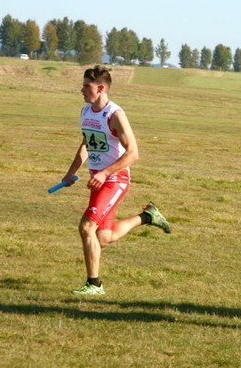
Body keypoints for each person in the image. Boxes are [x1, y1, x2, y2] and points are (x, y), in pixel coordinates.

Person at [61, 65, 171, 296]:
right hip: (97, 180)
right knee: (103, 237)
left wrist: (104, 173)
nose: (82, 90)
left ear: (101, 88)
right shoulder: (86, 112)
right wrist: (71, 173)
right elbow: (86, 144)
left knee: (86, 227)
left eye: (87, 86)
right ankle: (148, 216)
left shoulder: (115, 115)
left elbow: (133, 154)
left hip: (115, 180)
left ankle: (94, 284)